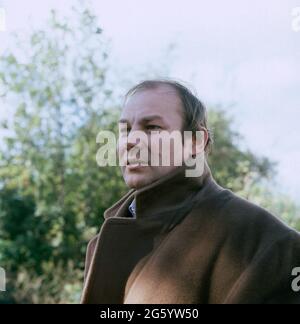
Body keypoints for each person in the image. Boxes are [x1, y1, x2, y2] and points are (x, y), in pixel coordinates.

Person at [81, 80, 300, 304]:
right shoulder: (102, 243)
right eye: (125, 130)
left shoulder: (266, 243)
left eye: (152, 127)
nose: (130, 141)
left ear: (195, 141)